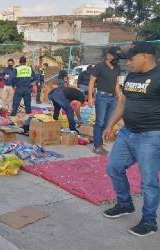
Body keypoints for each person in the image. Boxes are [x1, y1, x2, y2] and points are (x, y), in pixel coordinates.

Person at [102, 41, 160, 237]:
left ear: (145, 56)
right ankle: (125, 204)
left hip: (151, 136)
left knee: (149, 182)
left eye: (131, 59)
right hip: (127, 133)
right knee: (113, 167)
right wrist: (110, 125)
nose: (128, 63)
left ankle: (149, 221)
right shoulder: (132, 76)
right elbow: (123, 102)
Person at [88, 47, 122, 155]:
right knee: (100, 122)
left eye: (118, 56)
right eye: (115, 56)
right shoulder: (99, 66)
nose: (116, 58)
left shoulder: (117, 68)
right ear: (108, 55)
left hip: (113, 99)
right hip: (102, 97)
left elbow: (116, 84)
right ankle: (97, 146)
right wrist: (90, 98)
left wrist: (120, 97)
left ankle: (100, 142)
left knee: (107, 123)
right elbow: (92, 82)